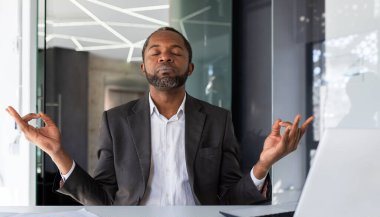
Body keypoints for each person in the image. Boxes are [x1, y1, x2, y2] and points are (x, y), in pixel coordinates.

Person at [6, 27, 313, 206]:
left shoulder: (218, 120)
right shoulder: (115, 121)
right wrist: (56, 153)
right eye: (155, 52)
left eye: (176, 52)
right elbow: (102, 198)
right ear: (143, 68)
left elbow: (232, 197)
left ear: (190, 67)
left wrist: (263, 165)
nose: (165, 56)